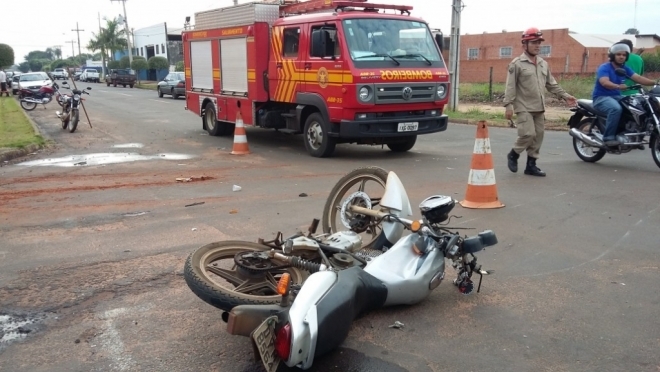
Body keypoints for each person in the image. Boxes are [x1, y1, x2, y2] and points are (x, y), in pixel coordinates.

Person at [503, 28, 577, 177]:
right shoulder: (517, 63)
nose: (537, 45)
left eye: (539, 42)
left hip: (539, 106)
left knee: (538, 136)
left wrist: (566, 96)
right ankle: (513, 154)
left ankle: (531, 165)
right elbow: (510, 86)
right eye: (534, 42)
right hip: (523, 106)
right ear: (525, 44)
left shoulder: (543, 64)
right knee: (527, 134)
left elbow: (551, 84)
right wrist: (508, 105)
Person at [592, 43, 658, 146]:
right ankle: (608, 137)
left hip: (617, 97)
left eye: (624, 55)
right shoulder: (604, 67)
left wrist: (655, 82)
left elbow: (638, 78)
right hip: (601, 97)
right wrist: (617, 86)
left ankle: (633, 135)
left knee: (636, 107)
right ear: (613, 55)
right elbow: (604, 82)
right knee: (615, 109)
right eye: (618, 54)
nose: (621, 57)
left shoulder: (624, 68)